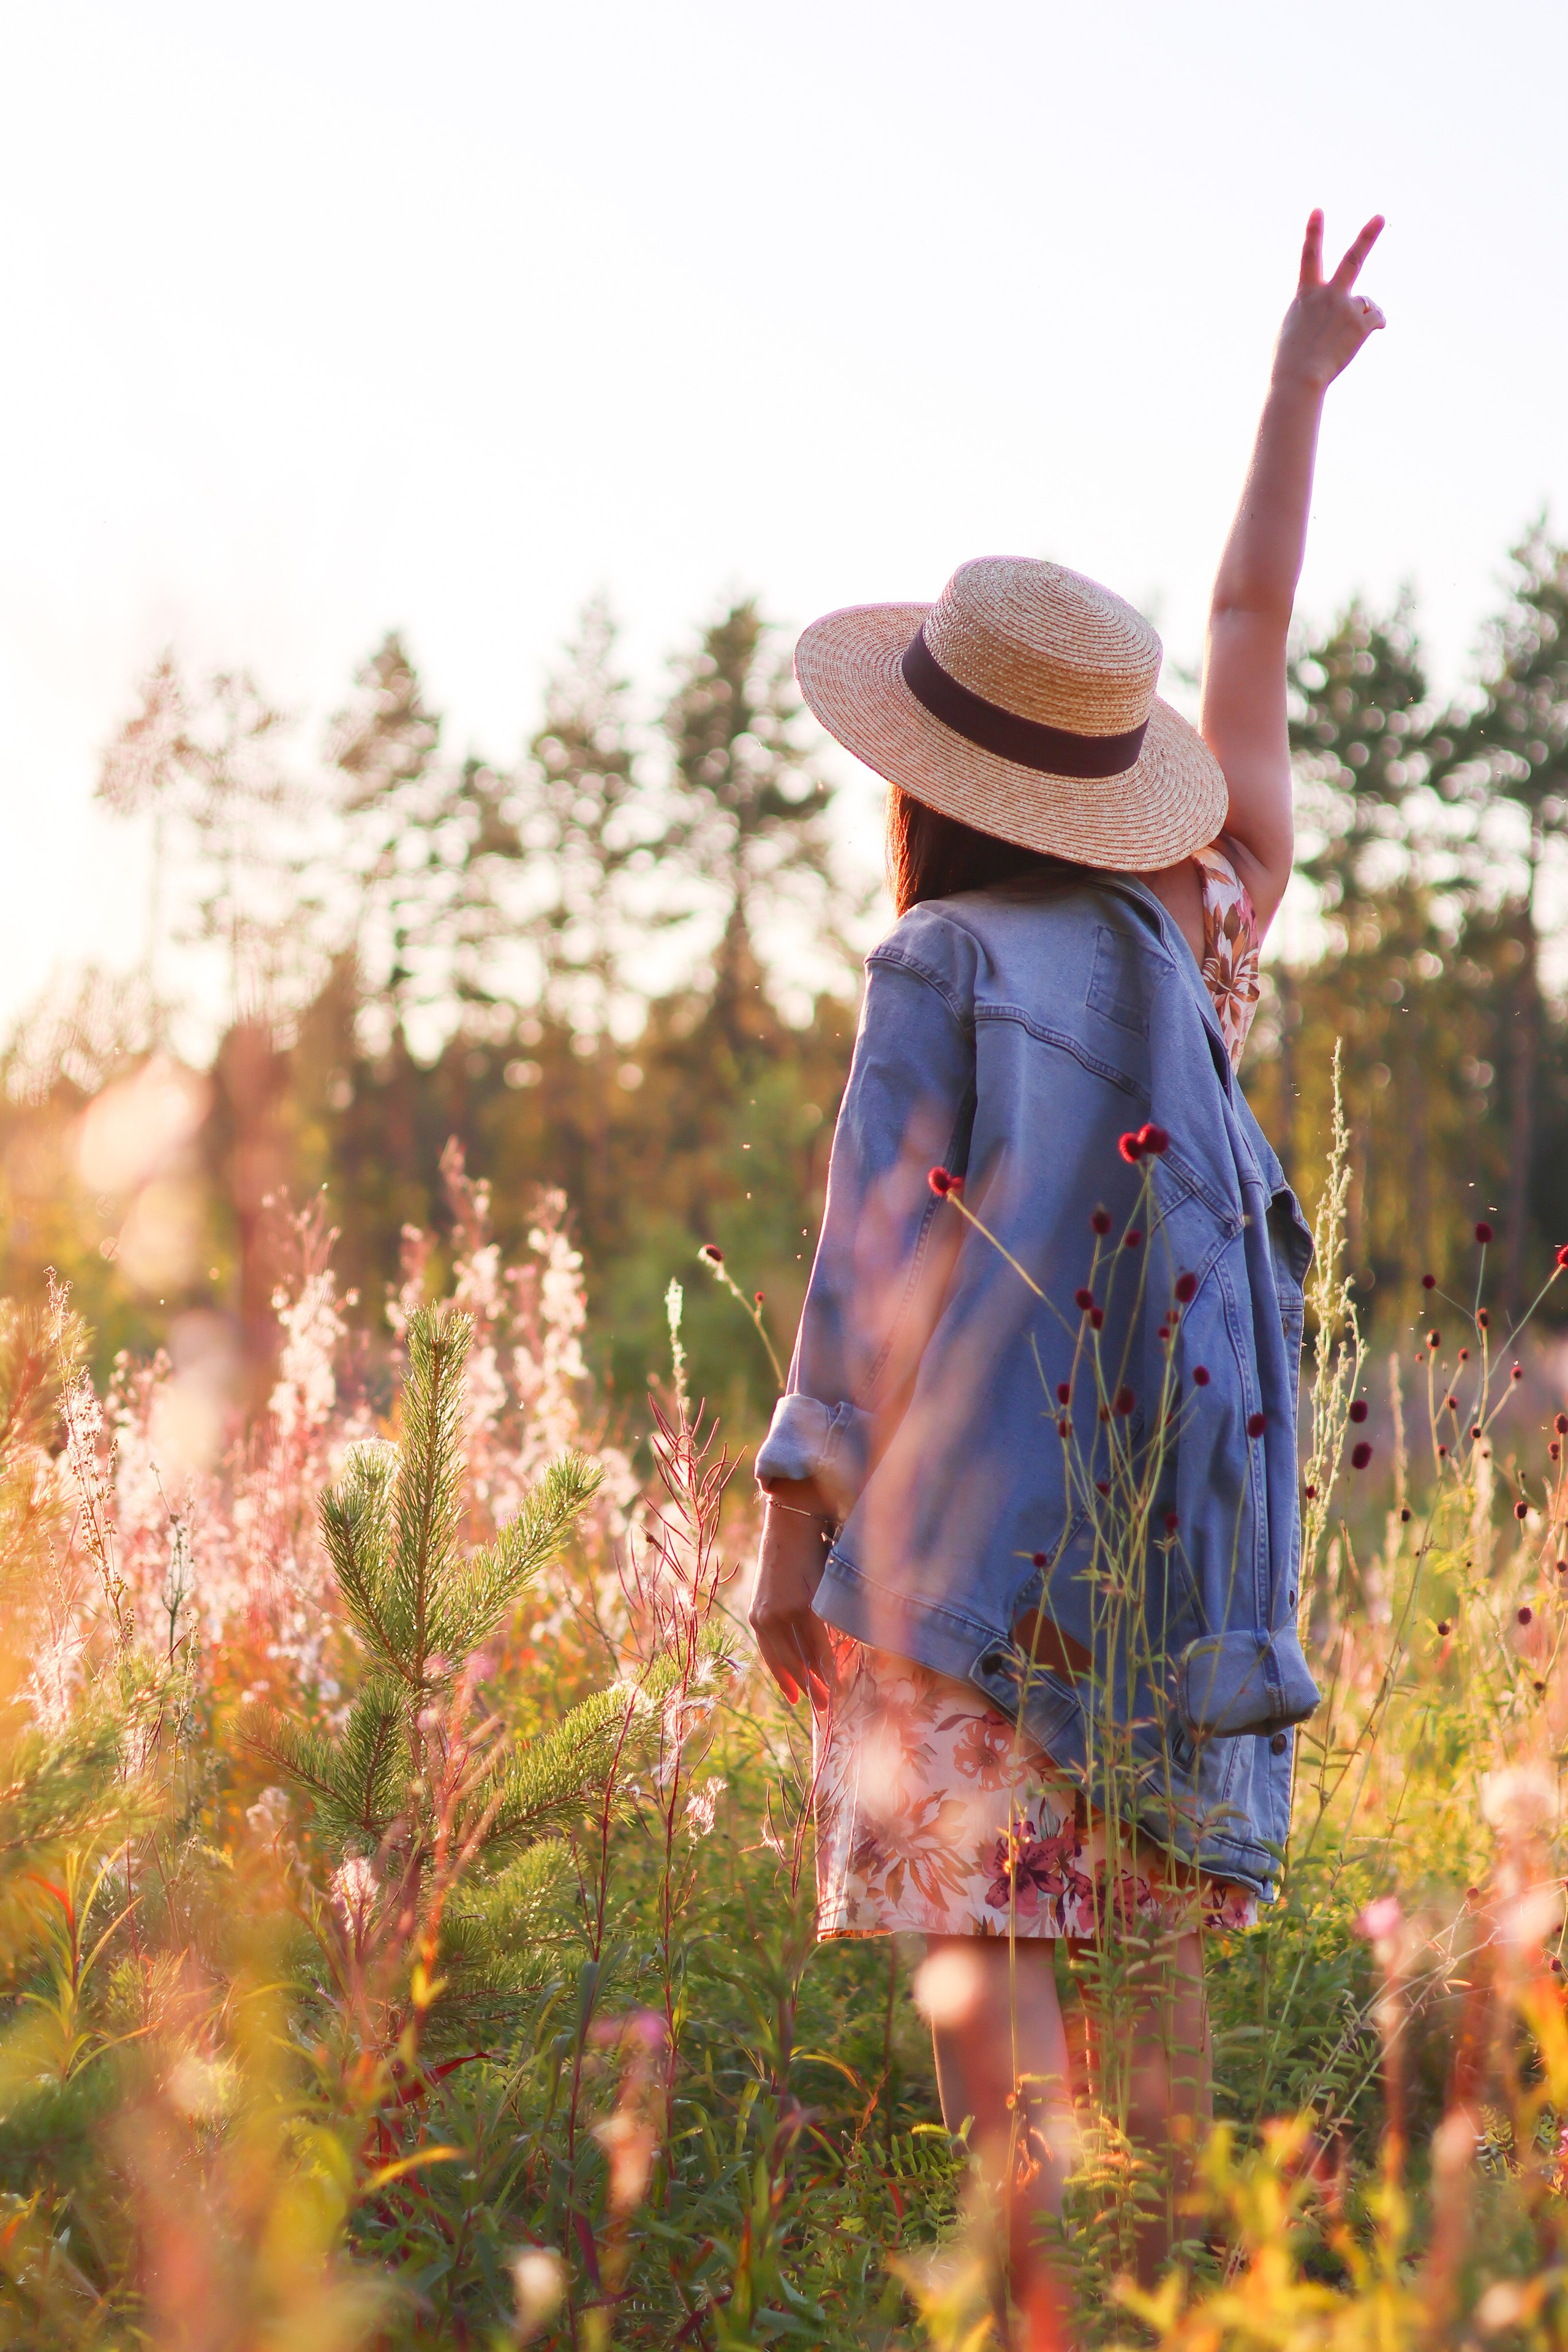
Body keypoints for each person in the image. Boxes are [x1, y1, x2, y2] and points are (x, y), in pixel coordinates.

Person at [749, 211, 1386, 2343]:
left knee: (1008, 2123)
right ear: (1118, 776)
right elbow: (1251, 618)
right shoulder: (1204, 932)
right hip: (1179, 1588)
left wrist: (786, 1543)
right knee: (1162, 2027)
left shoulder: (937, 957)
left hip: (963, 1594)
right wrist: (1298, 382)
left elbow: (872, 1276)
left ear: (934, 772)